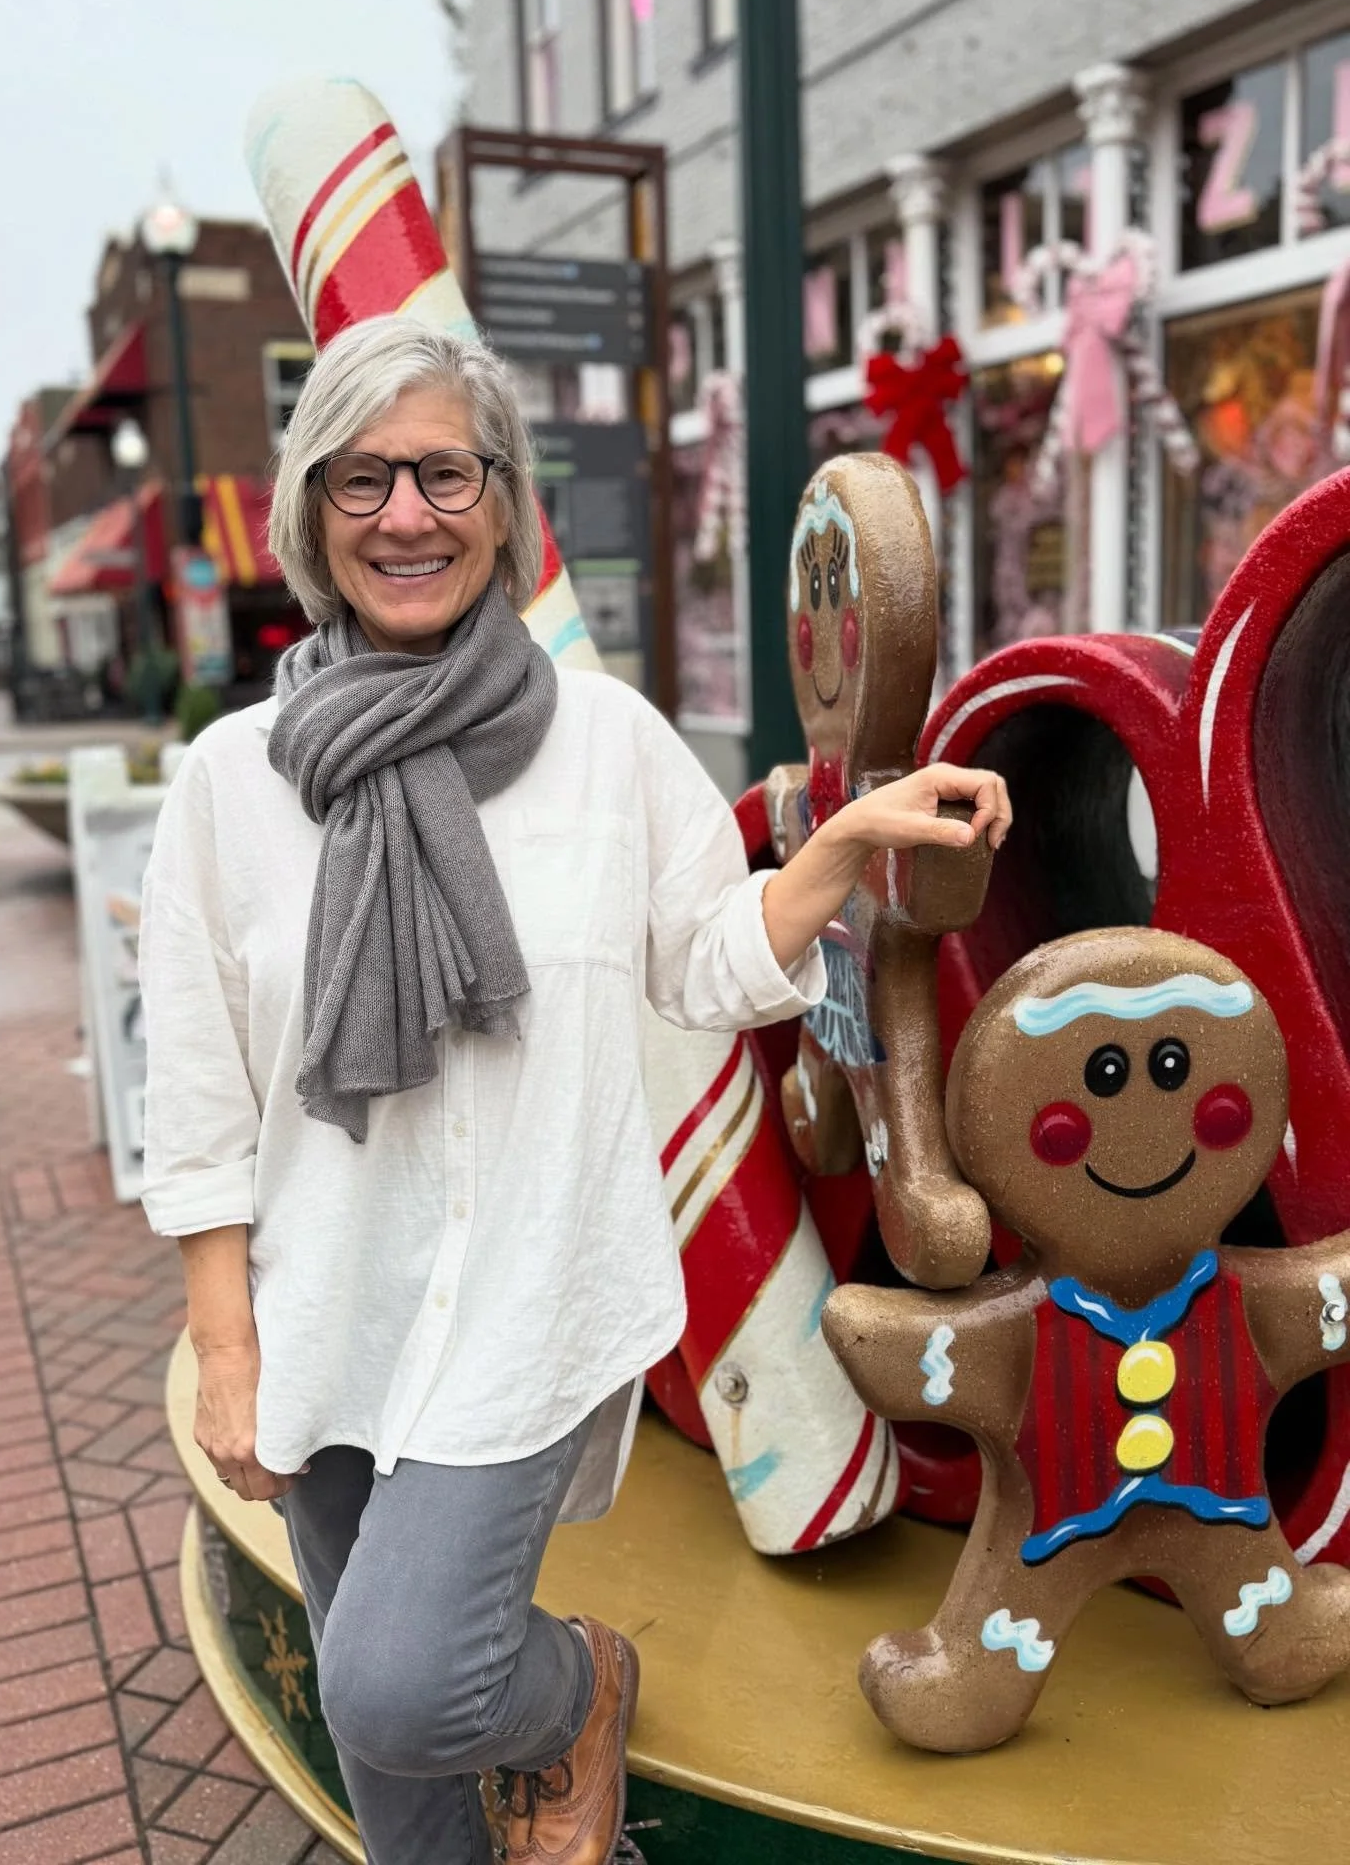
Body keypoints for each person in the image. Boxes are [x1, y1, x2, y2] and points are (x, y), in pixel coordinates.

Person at [139, 314, 1011, 1865]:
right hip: (321, 1298)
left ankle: (580, 1686)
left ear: (502, 502)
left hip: (528, 1304)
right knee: (385, 1748)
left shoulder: (603, 742)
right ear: (310, 511)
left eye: (445, 473)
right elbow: (200, 1095)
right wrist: (226, 1347)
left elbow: (707, 963)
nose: (406, 514)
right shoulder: (233, 781)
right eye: (361, 479)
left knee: (404, 1685)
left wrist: (838, 849)